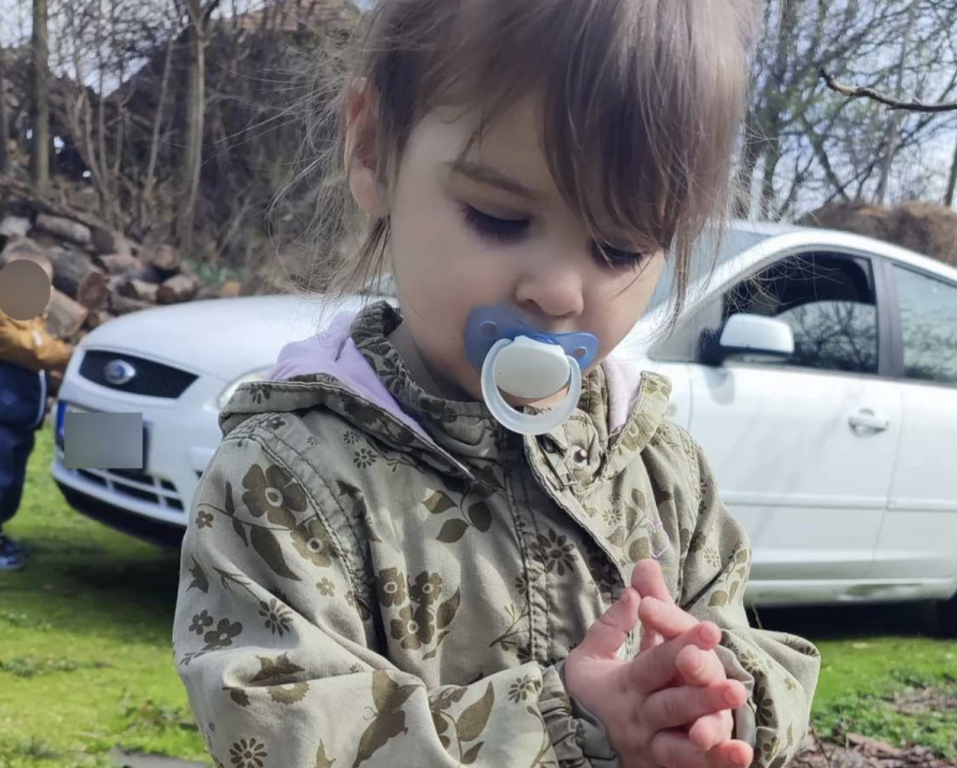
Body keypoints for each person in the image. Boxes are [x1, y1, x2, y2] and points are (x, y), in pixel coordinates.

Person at [171, 1, 820, 767]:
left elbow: (748, 640)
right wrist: (561, 726)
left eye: (617, 248)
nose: (557, 291)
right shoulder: (289, 473)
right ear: (375, 147)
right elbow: (278, 725)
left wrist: (708, 701)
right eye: (500, 217)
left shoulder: (661, 471)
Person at [0, 254, 73, 571]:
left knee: (11, 483)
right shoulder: (5, 322)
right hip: (3, 418)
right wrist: (74, 353)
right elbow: (35, 350)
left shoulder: (31, 321)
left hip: (20, 421)